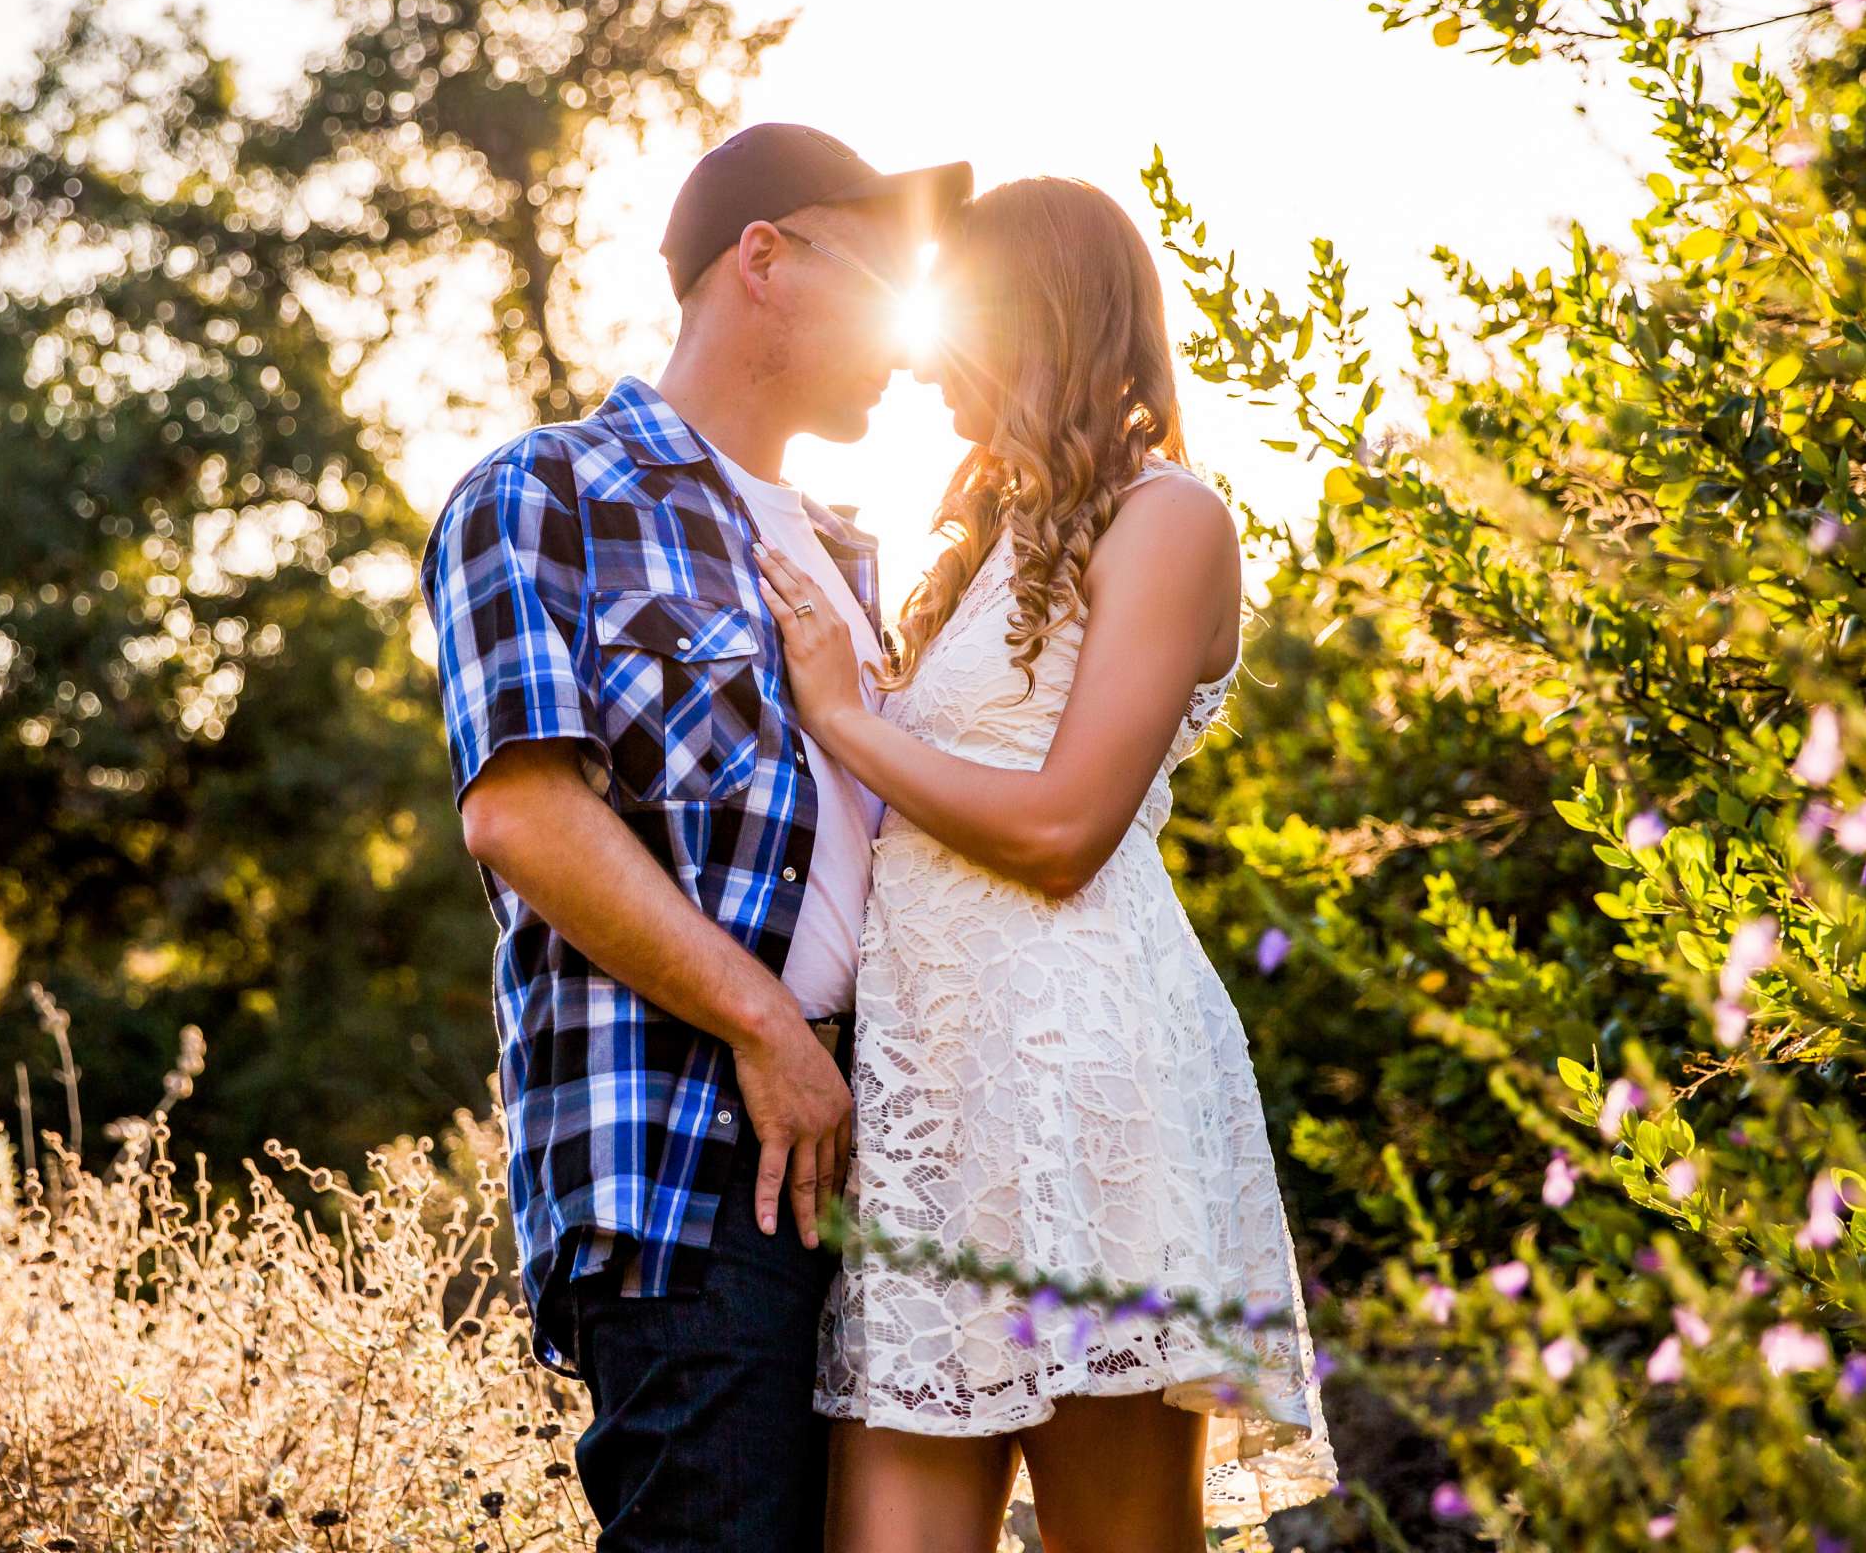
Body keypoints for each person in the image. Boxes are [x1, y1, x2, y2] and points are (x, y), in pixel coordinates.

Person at [755, 177, 1339, 1553]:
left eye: (952, 326)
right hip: (936, 1101)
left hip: (1088, 1082)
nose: (919, 362)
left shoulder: (1172, 518)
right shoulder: (984, 551)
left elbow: (1068, 828)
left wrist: (847, 714)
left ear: (1035, 321)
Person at [419, 123, 969, 1553]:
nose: (911, 344)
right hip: (689, 1156)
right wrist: (766, 1030)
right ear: (766, 261)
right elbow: (525, 811)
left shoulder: (845, 555)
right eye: (885, 282)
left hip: (878, 1147)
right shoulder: (541, 495)